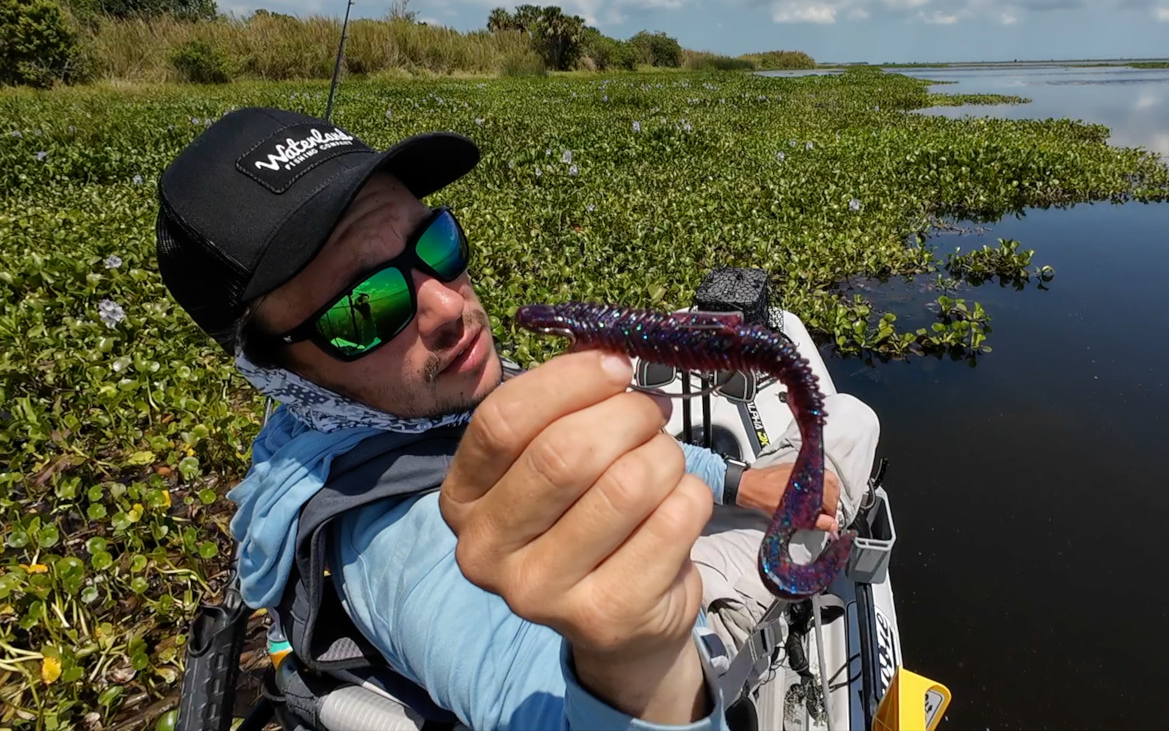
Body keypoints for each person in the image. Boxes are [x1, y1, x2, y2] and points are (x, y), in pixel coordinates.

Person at [156, 108, 877, 730]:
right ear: (278, 364)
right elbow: (519, 688)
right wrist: (633, 658)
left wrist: (740, 479)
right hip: (690, 647)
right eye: (363, 307)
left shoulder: (368, 412)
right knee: (847, 421)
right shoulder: (396, 547)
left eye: (436, 244)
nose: (445, 306)